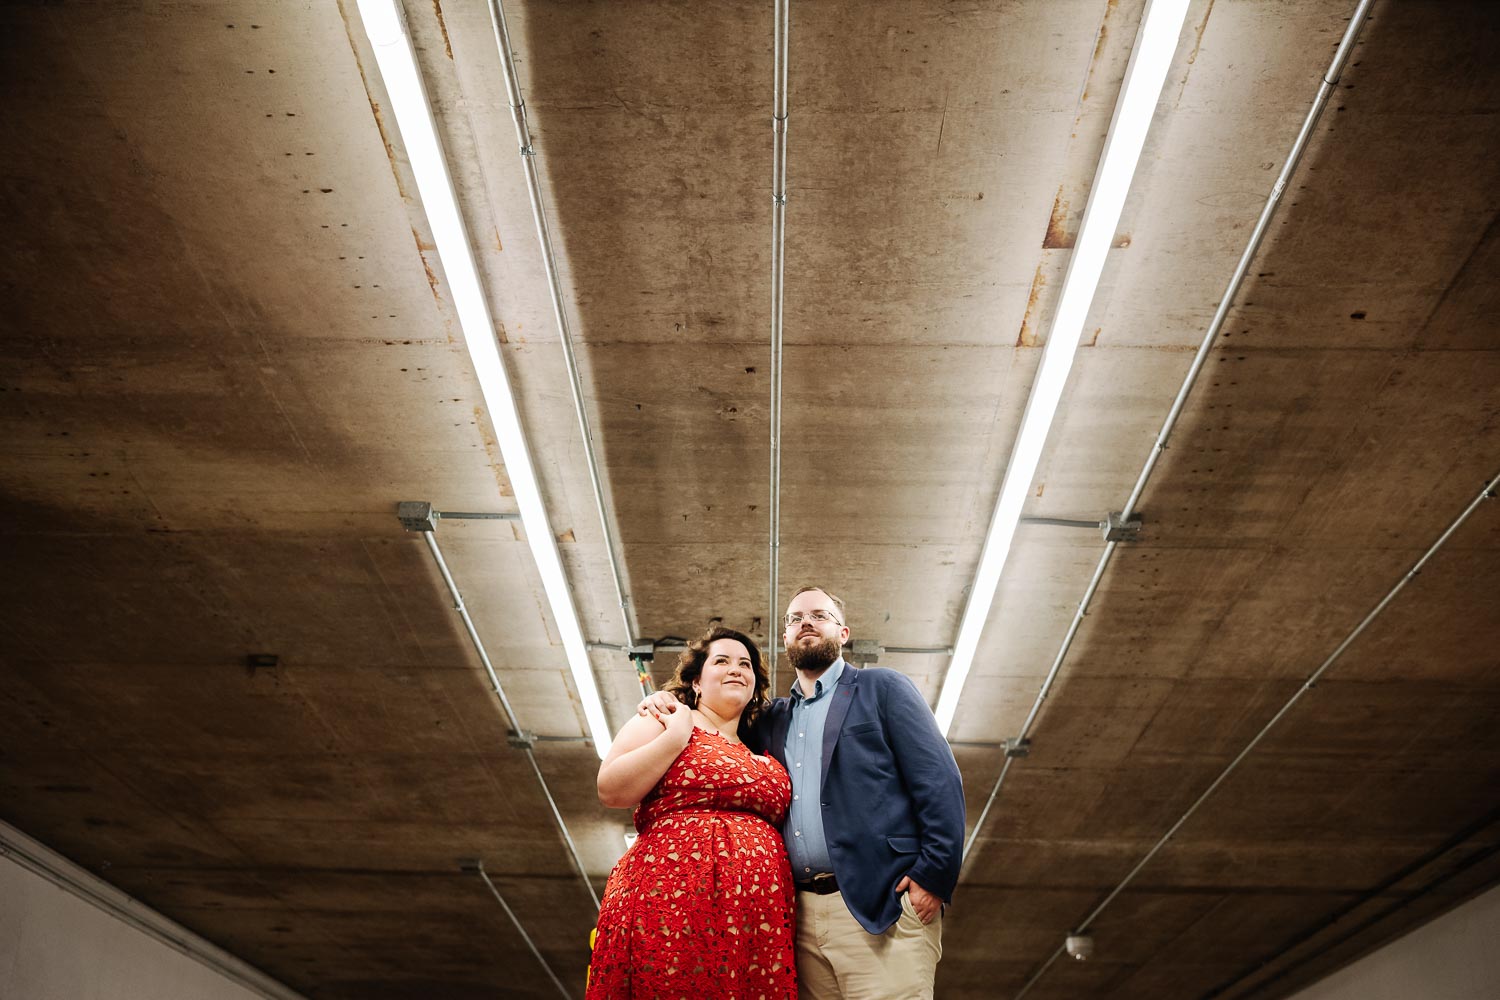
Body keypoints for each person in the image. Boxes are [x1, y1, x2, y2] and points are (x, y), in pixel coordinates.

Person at [642, 587, 965, 1000]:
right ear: (785, 641)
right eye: (795, 619)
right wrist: (667, 700)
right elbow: (712, 727)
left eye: (819, 615)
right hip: (799, 917)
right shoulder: (771, 719)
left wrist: (933, 876)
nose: (806, 623)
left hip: (880, 903)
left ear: (842, 632)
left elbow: (939, 781)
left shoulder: (882, 688)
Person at [589, 626, 797, 999]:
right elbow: (611, 788)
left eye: (745, 664)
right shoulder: (666, 717)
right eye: (722, 661)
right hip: (670, 904)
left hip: (753, 925)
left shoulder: (761, 746)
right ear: (697, 681)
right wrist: (674, 737)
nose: (735, 669)